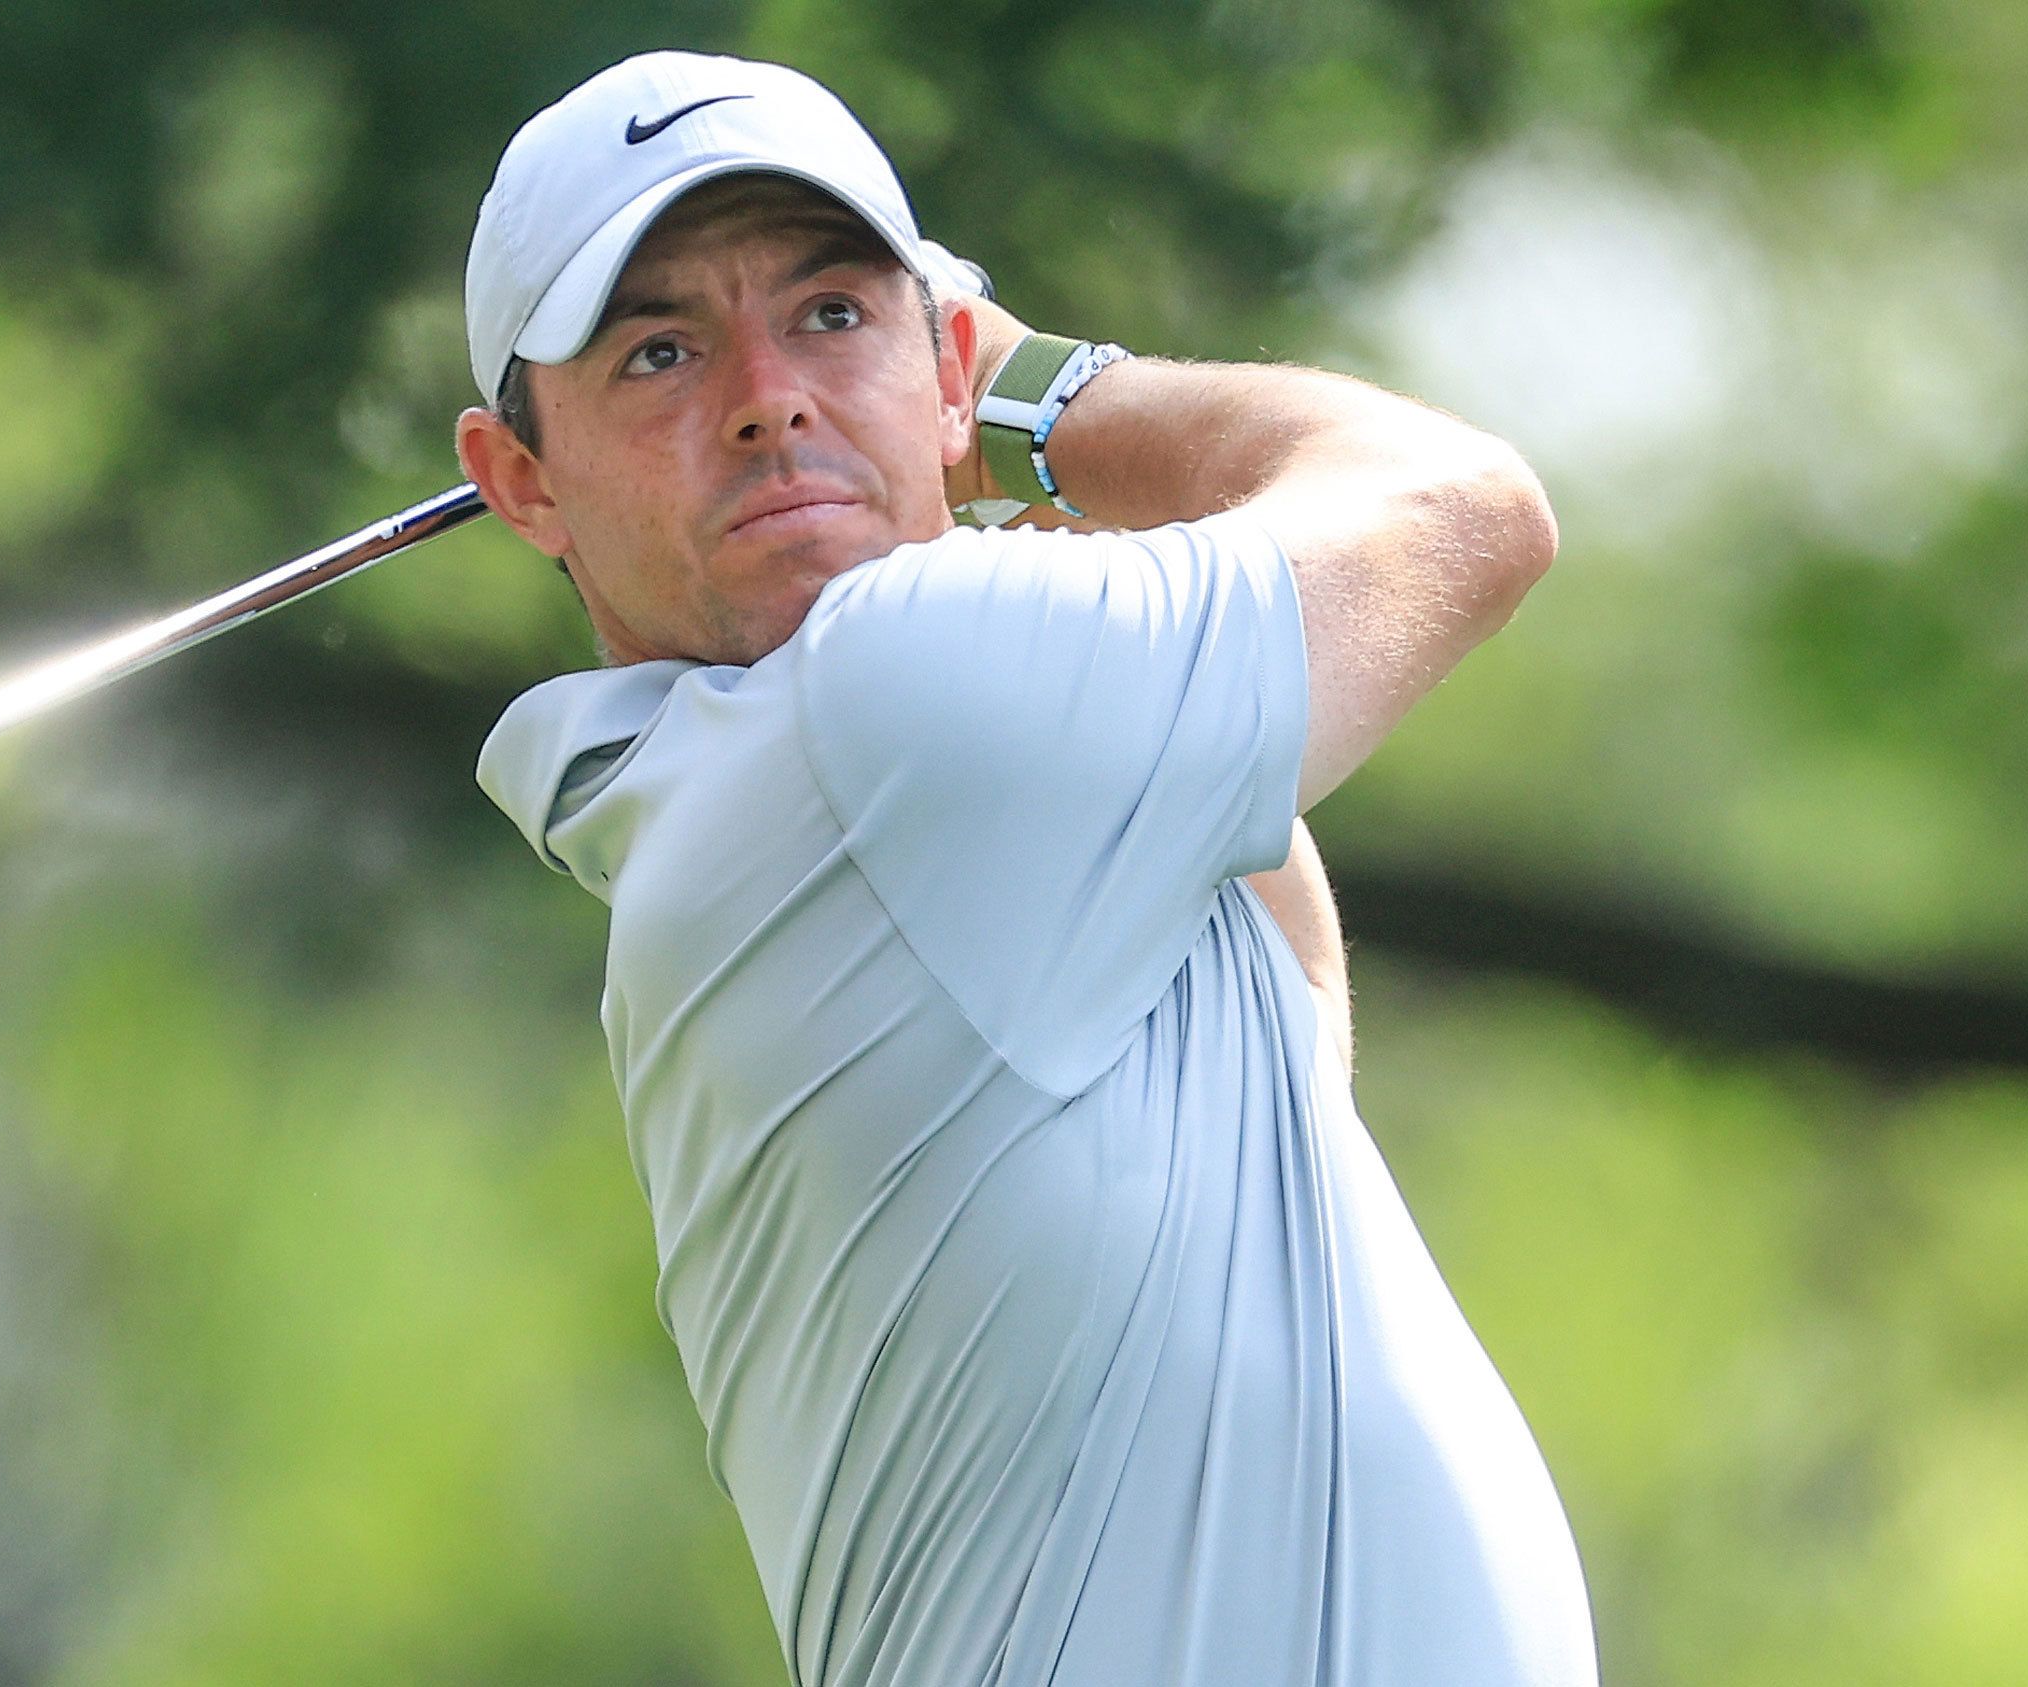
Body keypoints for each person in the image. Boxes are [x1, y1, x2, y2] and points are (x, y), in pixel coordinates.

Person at [455, 50, 1596, 1687]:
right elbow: (1465, 510)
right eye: (659, 351)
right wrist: (1034, 400)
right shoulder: (895, 692)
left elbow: (1278, 973)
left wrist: (961, 440)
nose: (766, 393)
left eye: (832, 315)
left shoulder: (776, 784)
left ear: (927, 358)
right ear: (521, 481)